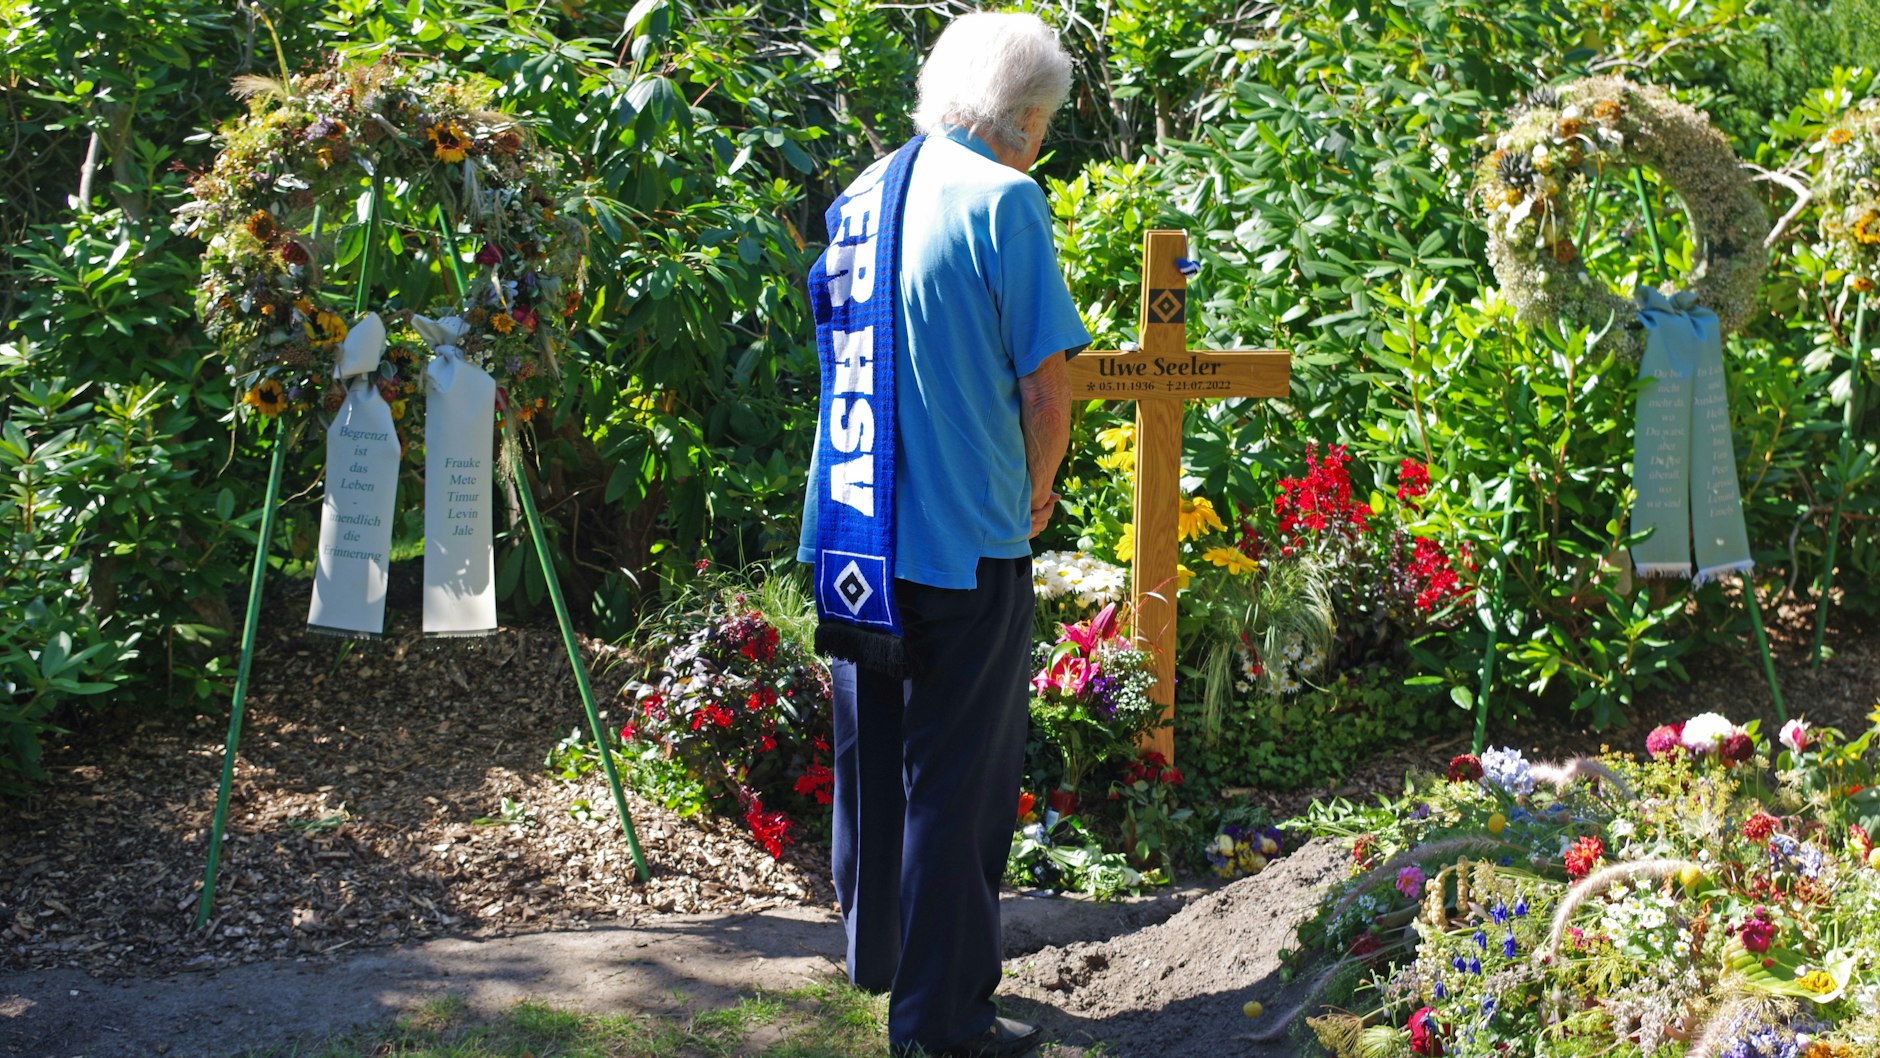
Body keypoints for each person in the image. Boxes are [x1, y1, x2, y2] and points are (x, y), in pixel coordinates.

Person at [796, 12, 1088, 1058]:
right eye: (1044, 124)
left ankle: (878, 960)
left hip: (852, 535)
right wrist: (1038, 494)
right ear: (1023, 119)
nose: (1041, 143)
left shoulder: (860, 195)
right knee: (959, 785)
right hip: (964, 540)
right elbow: (1046, 390)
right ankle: (939, 1021)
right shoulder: (1006, 200)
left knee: (874, 763)